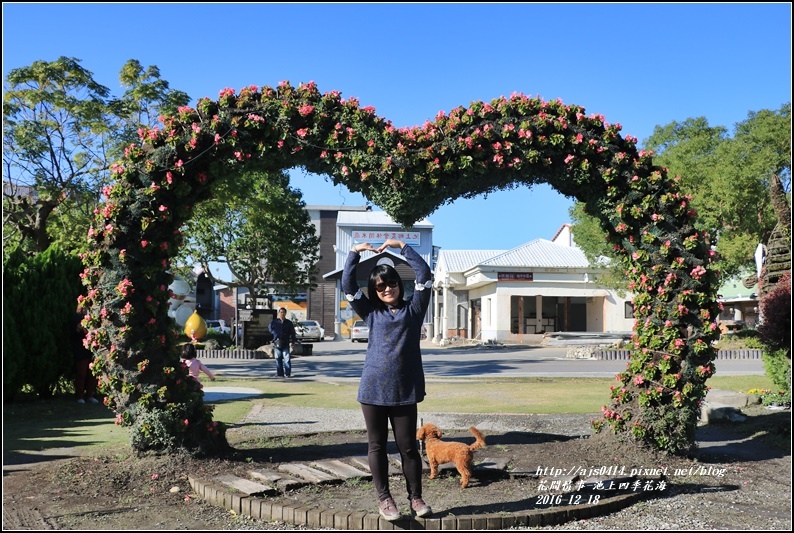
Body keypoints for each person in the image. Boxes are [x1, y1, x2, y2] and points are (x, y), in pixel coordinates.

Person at [342, 238, 433, 520]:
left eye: (391, 283)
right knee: (376, 447)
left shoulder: (414, 310)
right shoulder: (370, 312)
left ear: (398, 284)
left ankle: (416, 499)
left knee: (408, 447)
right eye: (380, 286)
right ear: (375, 290)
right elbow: (347, 286)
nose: (387, 289)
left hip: (405, 391)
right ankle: (385, 500)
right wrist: (355, 253)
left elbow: (425, 275)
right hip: (372, 391)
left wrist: (402, 246)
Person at [73, 306, 98, 404]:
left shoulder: (93, 317)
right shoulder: (76, 318)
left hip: (92, 349)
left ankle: (90, 395)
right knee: (81, 373)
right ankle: (79, 396)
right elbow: (75, 333)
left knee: (92, 374)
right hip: (80, 349)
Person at [269, 307, 297, 378]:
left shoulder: (288, 323)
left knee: (286, 358)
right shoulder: (275, 322)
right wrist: (275, 334)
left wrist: (293, 341)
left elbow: (292, 333)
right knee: (278, 358)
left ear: (285, 313)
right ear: (278, 313)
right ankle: (280, 373)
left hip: (285, 342)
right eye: (281, 312)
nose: (282, 314)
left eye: (283, 312)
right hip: (277, 342)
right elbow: (270, 328)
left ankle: (288, 373)